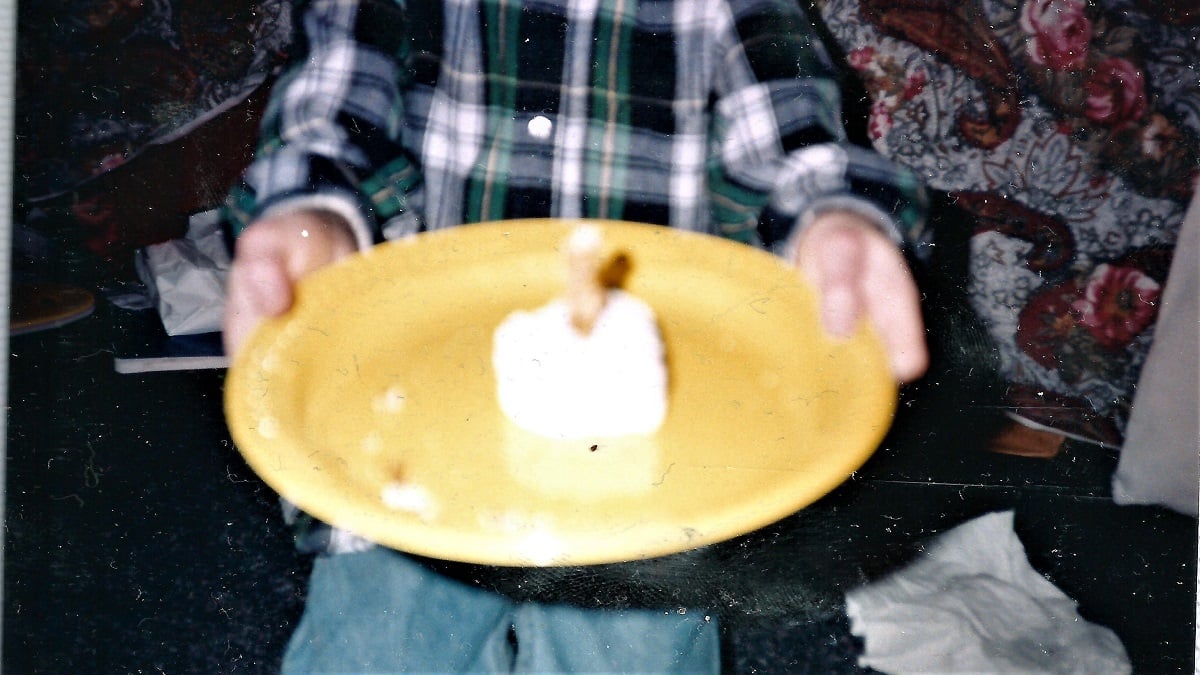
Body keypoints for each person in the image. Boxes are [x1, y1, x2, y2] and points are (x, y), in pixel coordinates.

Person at [222, 0, 931, 671]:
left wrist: (835, 216)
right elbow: (331, 105)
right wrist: (311, 214)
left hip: (649, 457)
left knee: (638, 652)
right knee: (375, 649)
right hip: (421, 426)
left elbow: (797, 134)